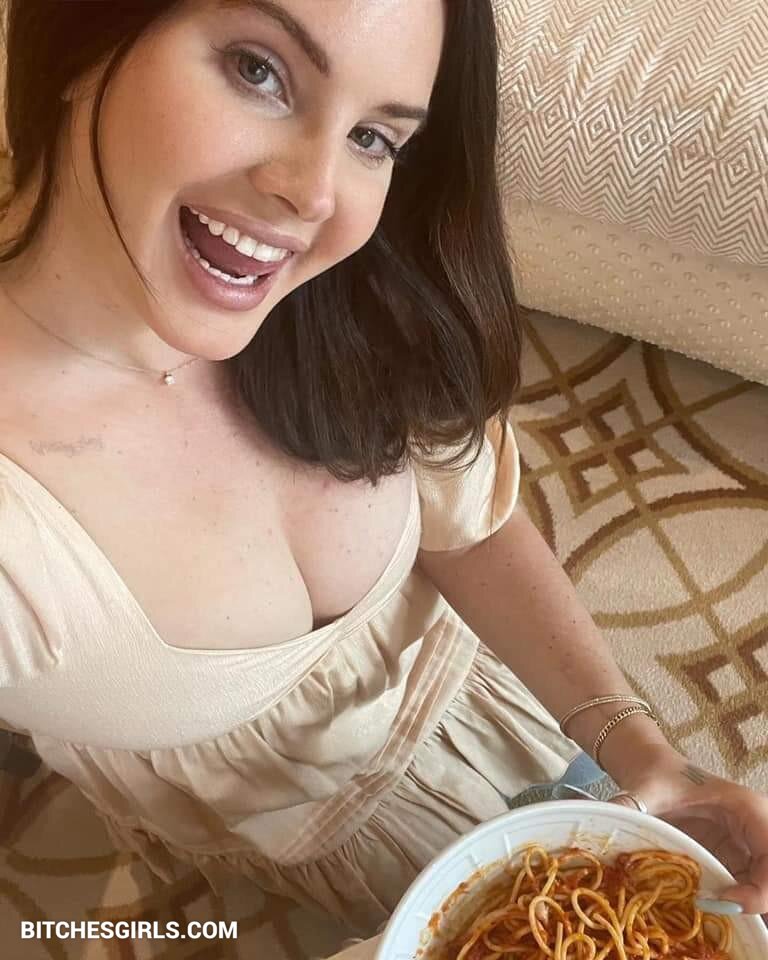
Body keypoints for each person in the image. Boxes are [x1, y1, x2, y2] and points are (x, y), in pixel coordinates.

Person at [0, 2, 765, 957]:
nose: (314, 195)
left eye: (374, 137)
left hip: (503, 712)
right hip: (291, 844)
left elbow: (467, 525)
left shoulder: (352, 290)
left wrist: (646, 754)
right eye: (257, 71)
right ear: (85, 34)